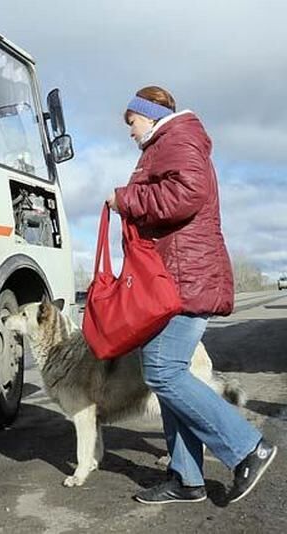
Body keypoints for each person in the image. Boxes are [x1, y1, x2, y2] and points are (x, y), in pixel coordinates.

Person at [107, 86, 277, 505]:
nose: (129, 132)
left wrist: (125, 199)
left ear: (148, 114)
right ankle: (187, 478)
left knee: (163, 372)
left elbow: (189, 194)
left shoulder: (178, 138)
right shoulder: (168, 142)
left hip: (185, 279)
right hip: (175, 277)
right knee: (167, 376)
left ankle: (246, 448)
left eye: (131, 123)